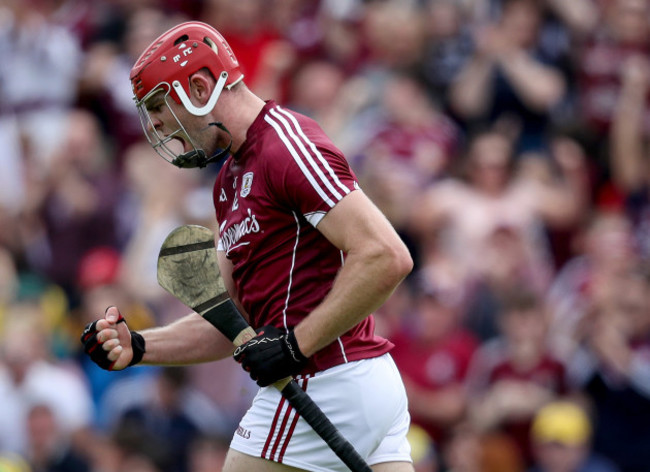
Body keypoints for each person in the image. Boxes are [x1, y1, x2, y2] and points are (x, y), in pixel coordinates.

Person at [80, 21, 414, 472]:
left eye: (163, 109)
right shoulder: (228, 182)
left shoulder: (285, 146)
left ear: (200, 87)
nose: (162, 129)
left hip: (327, 381)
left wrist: (296, 345)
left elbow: (386, 256)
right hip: (354, 383)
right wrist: (139, 346)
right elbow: (229, 321)